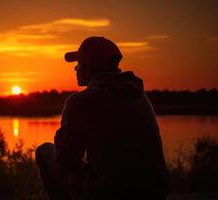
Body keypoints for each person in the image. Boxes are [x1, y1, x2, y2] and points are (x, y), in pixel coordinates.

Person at [35, 36, 170, 200]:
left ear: (86, 68)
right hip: (154, 193)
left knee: (44, 151)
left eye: (78, 64)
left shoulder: (81, 101)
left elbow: (65, 161)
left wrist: (61, 138)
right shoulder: (139, 96)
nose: (75, 69)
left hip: (110, 194)